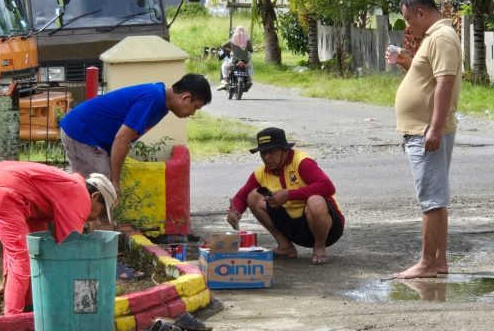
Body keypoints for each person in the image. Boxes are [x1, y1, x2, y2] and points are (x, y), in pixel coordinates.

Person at [0, 161, 117, 315]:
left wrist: (10, 283)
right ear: (94, 197)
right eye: (100, 212)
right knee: (22, 257)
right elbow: (71, 251)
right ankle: (12, 318)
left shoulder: (67, 187)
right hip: (3, 189)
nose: (95, 219)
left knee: (38, 250)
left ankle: (29, 306)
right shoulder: (79, 194)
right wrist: (86, 304)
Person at [387, 0, 461, 279]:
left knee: (430, 200)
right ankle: (438, 262)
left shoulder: (441, 37)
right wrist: (406, 61)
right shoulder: (435, 38)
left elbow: (444, 84)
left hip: (425, 132)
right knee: (436, 198)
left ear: (421, 12)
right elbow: (428, 79)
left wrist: (434, 127)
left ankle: (428, 263)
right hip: (423, 129)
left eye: (407, 18)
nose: (407, 25)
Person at [60, 73, 212, 197]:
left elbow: (127, 140)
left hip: (91, 137)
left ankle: (99, 230)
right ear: (185, 97)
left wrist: (115, 178)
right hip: (82, 134)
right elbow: (122, 139)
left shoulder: (161, 104)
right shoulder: (153, 99)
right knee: (102, 192)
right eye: (195, 107)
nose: (192, 113)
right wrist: (115, 181)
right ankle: (92, 230)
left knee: (100, 193)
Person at [226, 127, 344, 265]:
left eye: (272, 151)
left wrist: (289, 195)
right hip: (294, 228)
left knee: (315, 200)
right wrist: (235, 211)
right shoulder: (261, 173)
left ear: (285, 150)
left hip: (328, 228)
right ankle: (285, 247)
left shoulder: (302, 162)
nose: (267, 157)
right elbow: (242, 196)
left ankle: (319, 247)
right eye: (263, 152)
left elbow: (328, 186)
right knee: (253, 196)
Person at [216, 26, 254, 91]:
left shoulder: (232, 40)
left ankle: (225, 80)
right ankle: (249, 79)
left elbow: (224, 46)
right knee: (250, 66)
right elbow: (251, 50)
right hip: (245, 61)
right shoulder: (247, 41)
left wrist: (231, 50)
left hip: (234, 60)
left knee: (224, 66)